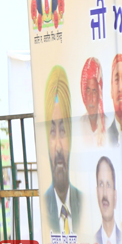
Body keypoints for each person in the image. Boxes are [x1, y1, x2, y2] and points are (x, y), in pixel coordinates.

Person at [43, 66, 82, 234]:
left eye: (63, 130)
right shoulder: (42, 207)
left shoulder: (84, 203)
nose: (58, 146)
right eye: (52, 131)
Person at [79, 57, 108, 148]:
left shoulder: (108, 125)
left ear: (99, 94)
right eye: (88, 91)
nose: (91, 98)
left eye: (94, 91)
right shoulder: (79, 125)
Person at [95, 156, 121, 244]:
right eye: (101, 185)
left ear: (115, 196)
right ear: (97, 193)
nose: (105, 193)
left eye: (108, 185)